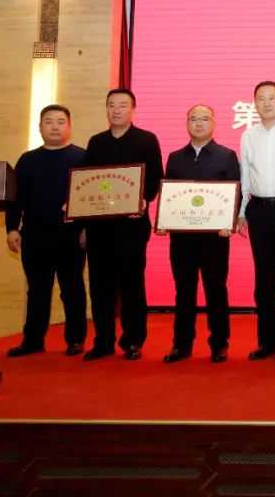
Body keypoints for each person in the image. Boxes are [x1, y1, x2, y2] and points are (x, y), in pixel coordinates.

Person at [80, 88, 164, 361]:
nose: (116, 110)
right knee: (100, 284)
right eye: (111, 105)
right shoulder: (96, 142)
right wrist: (82, 221)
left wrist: (143, 200)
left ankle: (133, 340)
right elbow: (86, 181)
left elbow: (155, 178)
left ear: (133, 110)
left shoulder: (147, 140)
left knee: (131, 284)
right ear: (106, 109)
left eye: (122, 105)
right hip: (99, 227)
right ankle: (103, 341)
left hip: (132, 226)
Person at [4, 104, 88, 357]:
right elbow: (15, 198)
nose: (54, 127)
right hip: (34, 234)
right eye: (49, 122)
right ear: (40, 127)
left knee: (72, 289)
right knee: (37, 291)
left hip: (70, 235)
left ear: (69, 127)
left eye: (60, 122)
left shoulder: (83, 157)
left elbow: (92, 196)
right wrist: (12, 228)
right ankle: (33, 340)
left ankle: (75, 340)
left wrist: (86, 228)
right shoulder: (27, 160)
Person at [159, 105, 240, 364]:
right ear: (187, 124)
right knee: (184, 291)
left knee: (216, 290)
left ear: (214, 123)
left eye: (204, 119)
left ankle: (219, 344)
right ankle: (181, 345)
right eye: (193, 119)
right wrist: (164, 220)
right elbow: (169, 196)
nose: (199, 123)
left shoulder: (227, 156)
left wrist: (229, 222)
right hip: (182, 239)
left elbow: (235, 193)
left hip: (215, 237)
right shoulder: (175, 157)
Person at [237, 80, 275, 362]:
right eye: (260, 99)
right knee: (263, 280)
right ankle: (267, 342)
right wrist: (241, 212)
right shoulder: (248, 135)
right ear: (254, 104)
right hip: (259, 210)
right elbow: (244, 177)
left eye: (271, 98)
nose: (266, 103)